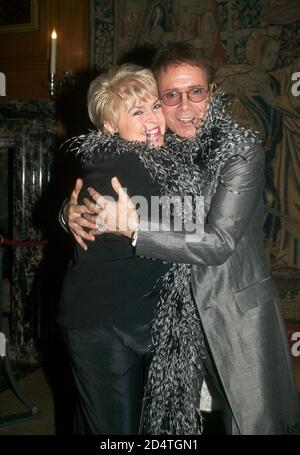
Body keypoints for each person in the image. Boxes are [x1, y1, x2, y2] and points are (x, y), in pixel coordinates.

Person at [61, 42, 300, 435]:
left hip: (231, 312)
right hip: (171, 321)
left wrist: (135, 230)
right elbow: (100, 178)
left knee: (255, 423)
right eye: (169, 96)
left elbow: (219, 240)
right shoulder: (155, 144)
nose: (184, 107)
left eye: (196, 93)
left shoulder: (239, 152)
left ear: (213, 93)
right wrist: (68, 213)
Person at [59, 62, 216, 435]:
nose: (153, 120)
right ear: (111, 128)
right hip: (103, 326)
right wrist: (70, 213)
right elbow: (193, 226)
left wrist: (66, 213)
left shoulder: (153, 158)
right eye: (137, 111)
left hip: (127, 322)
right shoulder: (121, 164)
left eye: (154, 106)